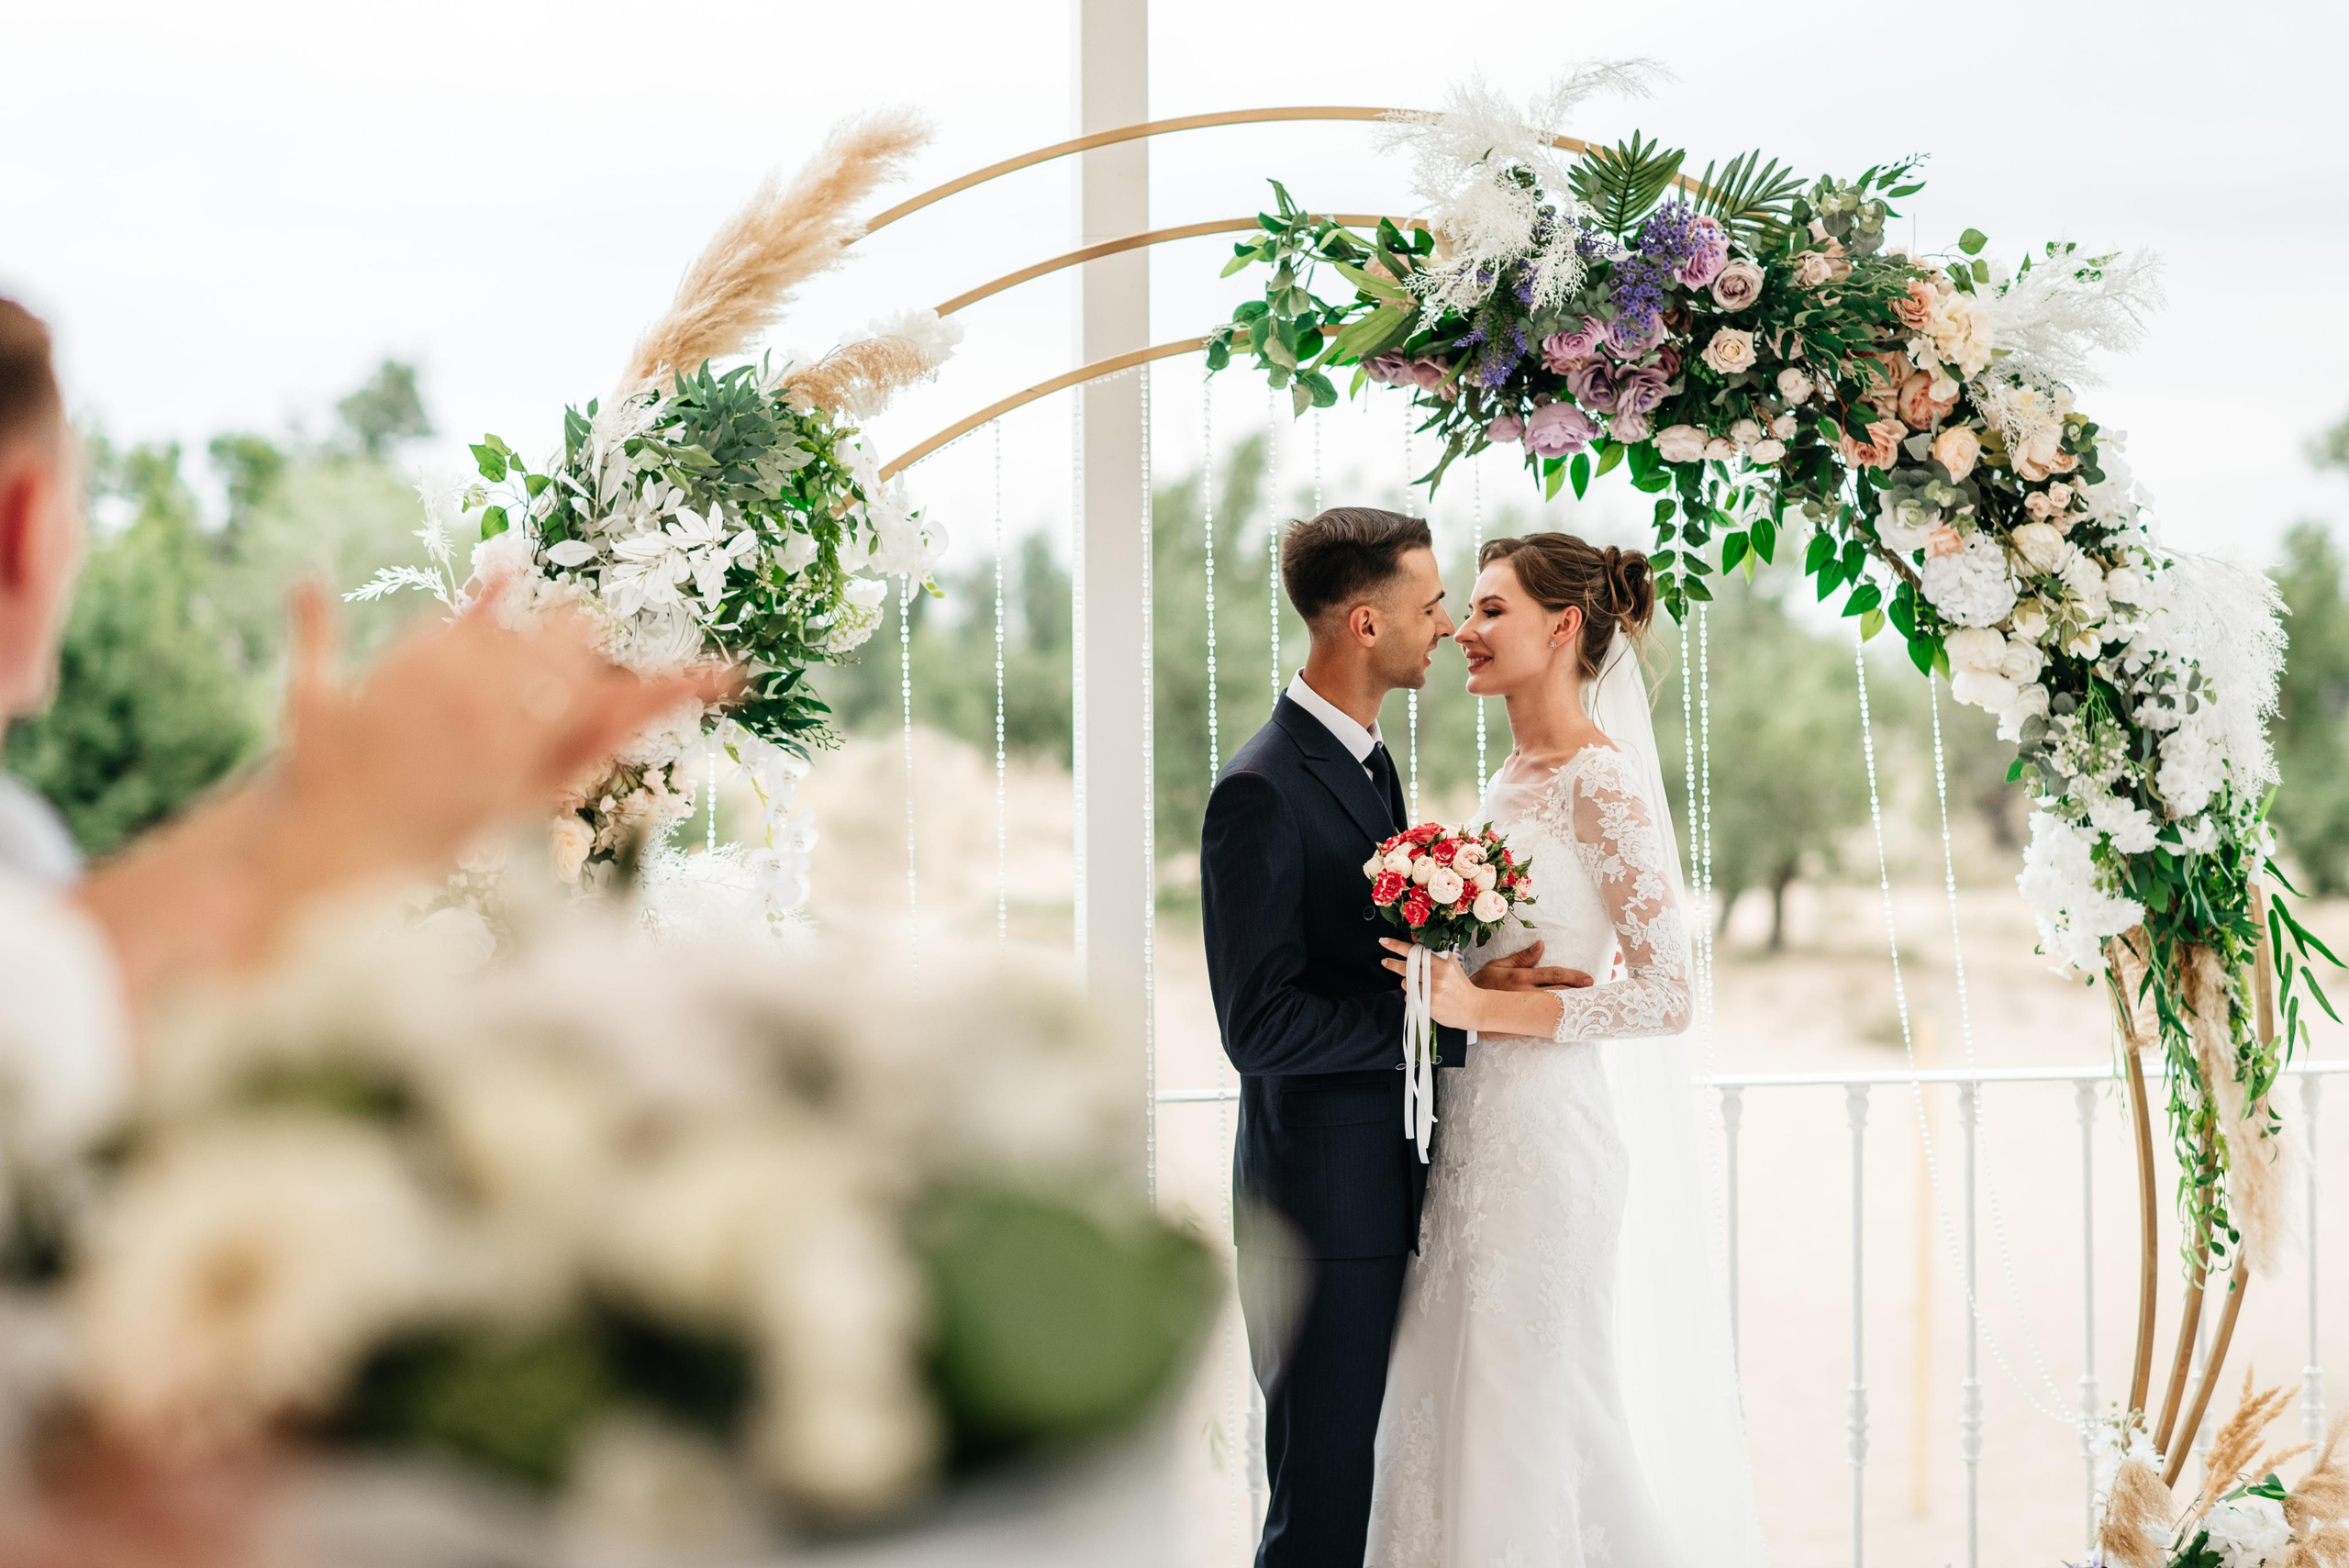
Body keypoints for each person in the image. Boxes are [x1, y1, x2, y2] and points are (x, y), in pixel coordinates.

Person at [0, 295, 729, 1156]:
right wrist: (353, 806)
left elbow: (76, 959)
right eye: (82, 511)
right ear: (24, 522)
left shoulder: (26, 845)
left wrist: (342, 791)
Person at [1363, 532, 1765, 1567]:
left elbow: (1667, 995)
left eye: (1489, 610)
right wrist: (1466, 989)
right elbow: (1502, 963)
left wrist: (1477, 1009)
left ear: (1563, 625)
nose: (1461, 629)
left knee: (1524, 1409)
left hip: (1544, 1143)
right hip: (1472, 1132)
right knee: (1455, 1395)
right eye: (1467, 609)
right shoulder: (1512, 771)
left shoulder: (1599, 780)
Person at [1199, 507, 1589, 1568]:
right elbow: (1258, 1025)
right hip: (1317, 1210)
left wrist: (1468, 983)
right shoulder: (1259, 789)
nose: (1448, 625)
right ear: (1365, 624)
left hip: (1386, 1184)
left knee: (1364, 1494)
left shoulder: (1367, 765)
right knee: (1319, 1504)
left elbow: (1379, 963)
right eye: (1429, 606)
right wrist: (1439, 1014)